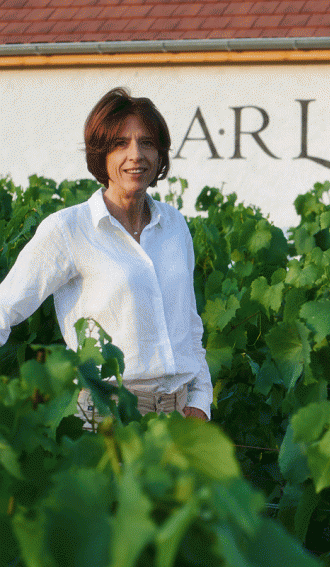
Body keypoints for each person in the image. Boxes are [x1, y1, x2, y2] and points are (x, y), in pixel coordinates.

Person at [0, 87, 212, 424]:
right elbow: (5, 307)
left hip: (177, 418)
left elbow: (189, 324)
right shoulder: (68, 229)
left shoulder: (174, 225)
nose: (136, 155)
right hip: (105, 418)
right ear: (101, 154)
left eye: (146, 143)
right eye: (120, 144)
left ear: (160, 154)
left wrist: (201, 399)